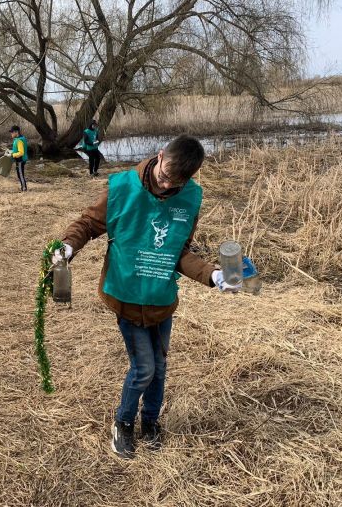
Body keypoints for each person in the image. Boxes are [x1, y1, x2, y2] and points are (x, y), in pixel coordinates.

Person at [52, 134, 241, 459]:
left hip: (161, 298)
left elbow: (179, 251)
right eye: (164, 175)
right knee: (144, 368)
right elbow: (87, 223)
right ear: (159, 154)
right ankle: (123, 423)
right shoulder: (122, 186)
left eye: (176, 183)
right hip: (126, 293)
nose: (167, 185)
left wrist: (213, 274)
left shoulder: (191, 197)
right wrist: (68, 247)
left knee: (159, 367)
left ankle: (150, 422)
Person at [8, 125, 28, 192]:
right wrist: (10, 152)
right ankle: (23, 187)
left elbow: (21, 152)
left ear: (16, 132)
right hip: (20, 159)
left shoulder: (19, 141)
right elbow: (17, 150)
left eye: (12, 132)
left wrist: (13, 154)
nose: (11, 134)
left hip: (20, 160)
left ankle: (24, 189)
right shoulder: (18, 139)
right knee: (20, 174)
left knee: (20, 175)